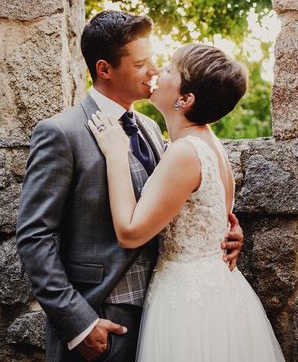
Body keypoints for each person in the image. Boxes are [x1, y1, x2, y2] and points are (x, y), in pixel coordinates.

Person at [16, 11, 245, 362]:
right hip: (102, 316)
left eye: (156, 61)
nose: (153, 71)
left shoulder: (152, 128)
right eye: (141, 64)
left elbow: (180, 199)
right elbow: (35, 237)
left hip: (168, 313)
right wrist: (78, 322)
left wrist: (223, 225)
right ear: (105, 69)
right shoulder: (61, 133)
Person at [88, 43, 285, 361]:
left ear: (185, 99)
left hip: (189, 304)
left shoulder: (185, 152)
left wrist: (114, 153)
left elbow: (130, 232)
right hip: (220, 291)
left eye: (168, 69)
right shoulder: (211, 145)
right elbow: (212, 219)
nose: (156, 71)